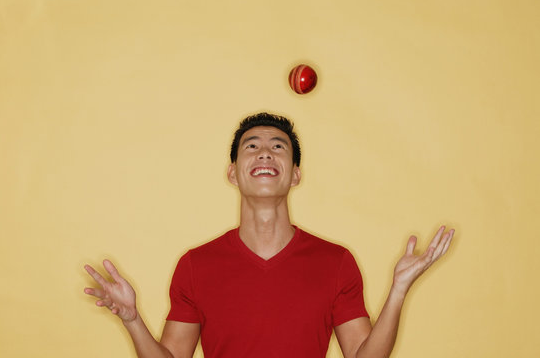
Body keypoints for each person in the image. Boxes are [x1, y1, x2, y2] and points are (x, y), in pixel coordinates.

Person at [84, 112, 454, 358]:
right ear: (233, 172)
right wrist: (132, 319)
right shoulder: (196, 265)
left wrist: (398, 291)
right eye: (252, 146)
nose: (265, 153)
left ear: (294, 174)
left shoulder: (336, 262)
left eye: (278, 147)